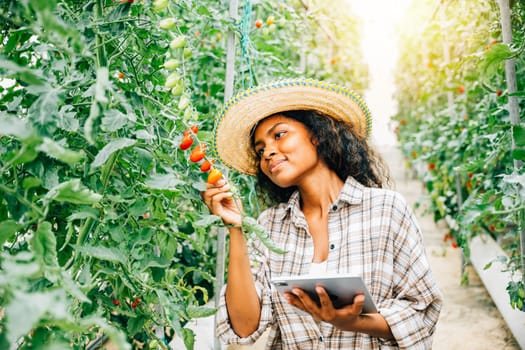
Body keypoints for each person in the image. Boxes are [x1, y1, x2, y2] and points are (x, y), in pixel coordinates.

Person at [201, 79, 442, 349]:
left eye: (279, 135)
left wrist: (353, 322)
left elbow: (422, 312)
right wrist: (237, 228)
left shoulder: (386, 211)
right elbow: (244, 327)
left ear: (317, 134)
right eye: (260, 150)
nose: (267, 151)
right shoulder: (270, 226)